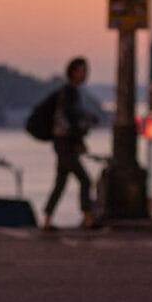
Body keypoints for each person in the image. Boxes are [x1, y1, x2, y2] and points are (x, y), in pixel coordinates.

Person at [41, 57, 98, 231]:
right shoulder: (70, 93)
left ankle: (48, 219)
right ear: (73, 72)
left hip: (62, 142)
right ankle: (88, 217)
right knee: (85, 180)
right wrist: (79, 141)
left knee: (61, 182)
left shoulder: (70, 92)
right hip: (65, 143)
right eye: (82, 70)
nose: (85, 74)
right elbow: (71, 119)